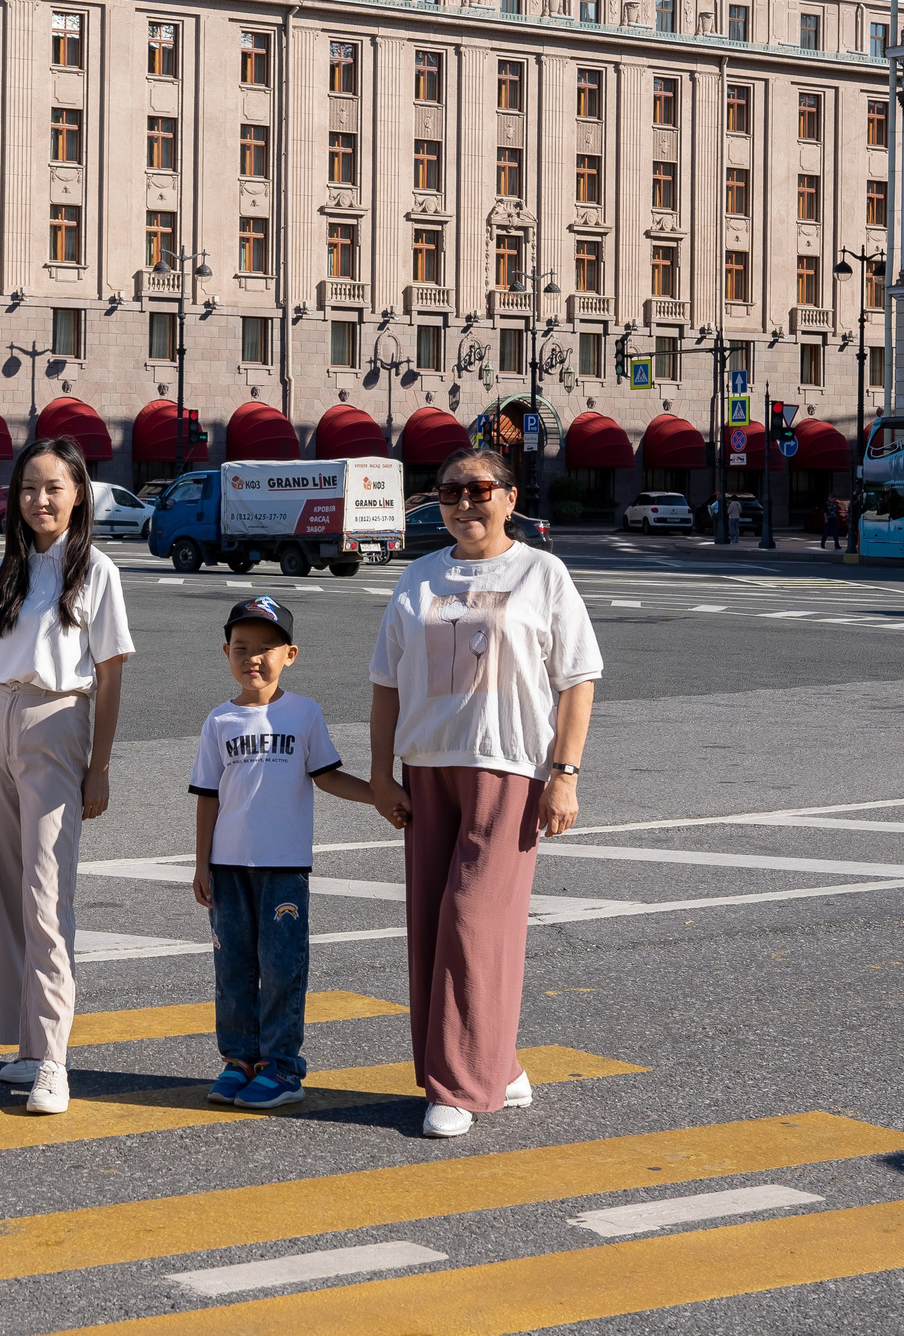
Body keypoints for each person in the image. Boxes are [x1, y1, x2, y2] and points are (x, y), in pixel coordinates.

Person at [370, 445, 602, 1140]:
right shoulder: (417, 577)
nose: (464, 503)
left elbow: (578, 678)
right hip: (428, 766)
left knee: (472, 920)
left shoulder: (541, 572)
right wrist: (383, 773)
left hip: (508, 767)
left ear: (509, 496)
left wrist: (565, 773)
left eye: (478, 490)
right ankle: (494, 1063)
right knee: (431, 925)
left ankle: (459, 1084)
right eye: (448, 492)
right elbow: (386, 682)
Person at [0, 435, 134, 1117]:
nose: (40, 498)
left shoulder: (95, 570)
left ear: (78, 494)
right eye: (30, 487)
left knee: (46, 893)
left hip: (57, 719)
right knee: (7, 890)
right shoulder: (9, 567)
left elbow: (113, 671)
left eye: (54, 487)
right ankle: (30, 1043)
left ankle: (56, 1061)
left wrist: (100, 764)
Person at [190, 595, 387, 1110]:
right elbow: (207, 798)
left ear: (290, 654)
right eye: (241, 647)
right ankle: (240, 1060)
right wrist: (201, 864)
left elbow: (327, 777)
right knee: (233, 967)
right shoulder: (218, 722)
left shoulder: (303, 713)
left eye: (266, 647)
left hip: (284, 868)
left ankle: (282, 1067)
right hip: (228, 868)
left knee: (281, 967)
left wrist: (381, 795)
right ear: (225, 653)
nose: (252, 657)